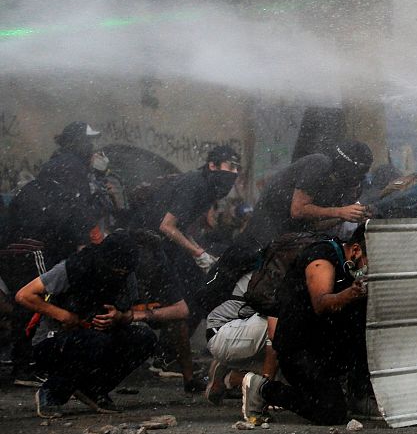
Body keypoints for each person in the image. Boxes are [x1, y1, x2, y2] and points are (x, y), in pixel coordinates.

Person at [130, 144, 241, 391]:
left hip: (162, 247)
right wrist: (198, 253)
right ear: (212, 165)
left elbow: (181, 228)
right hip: (148, 248)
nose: (233, 172)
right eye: (229, 166)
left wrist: (200, 253)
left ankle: (169, 357)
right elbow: (167, 226)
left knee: (196, 295)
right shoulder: (196, 185)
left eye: (237, 168)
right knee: (185, 302)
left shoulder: (206, 187)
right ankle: (167, 357)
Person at [14, 230, 159, 418]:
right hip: (53, 341)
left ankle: (94, 389)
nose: (119, 274)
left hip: (98, 335)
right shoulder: (75, 266)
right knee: (94, 341)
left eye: (124, 271)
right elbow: (24, 295)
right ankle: (51, 392)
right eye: (116, 269)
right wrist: (63, 315)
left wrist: (119, 317)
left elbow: (127, 312)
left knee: (144, 337)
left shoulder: (127, 274)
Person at [1, 122, 103, 386]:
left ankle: (26, 362)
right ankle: (27, 366)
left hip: (20, 243)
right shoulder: (71, 167)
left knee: (28, 299)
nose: (92, 147)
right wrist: (84, 245)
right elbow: (75, 209)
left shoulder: (59, 164)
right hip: (30, 245)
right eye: (88, 141)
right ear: (76, 142)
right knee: (37, 296)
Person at [241, 225, 369, 425]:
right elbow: (321, 303)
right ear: (355, 250)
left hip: (324, 348)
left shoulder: (348, 267)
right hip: (299, 350)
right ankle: (264, 389)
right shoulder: (322, 257)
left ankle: (357, 394)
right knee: (330, 412)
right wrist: (350, 294)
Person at [241, 141, 373, 252]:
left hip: (288, 238)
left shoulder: (337, 183)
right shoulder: (320, 164)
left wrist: (344, 217)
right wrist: (339, 212)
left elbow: (314, 225)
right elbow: (297, 210)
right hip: (264, 235)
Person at [204, 271, 278, 405]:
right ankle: (251, 385)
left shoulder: (274, 265)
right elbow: (273, 338)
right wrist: (267, 393)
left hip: (235, 330)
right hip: (223, 332)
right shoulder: (275, 274)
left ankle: (229, 377)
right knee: (282, 328)